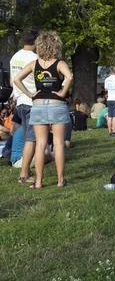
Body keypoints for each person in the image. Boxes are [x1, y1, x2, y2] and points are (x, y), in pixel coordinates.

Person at [13, 31, 73, 189]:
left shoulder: (34, 64)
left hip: (38, 105)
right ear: (56, 46)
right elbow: (70, 77)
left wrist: (29, 94)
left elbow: (16, 79)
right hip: (57, 104)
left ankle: (38, 182)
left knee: (40, 144)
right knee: (59, 143)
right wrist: (62, 92)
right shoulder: (60, 63)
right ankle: (60, 180)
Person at [10, 27, 39, 184]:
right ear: (36, 41)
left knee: (28, 136)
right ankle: (24, 174)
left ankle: (26, 171)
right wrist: (31, 94)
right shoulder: (35, 58)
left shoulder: (15, 57)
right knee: (31, 139)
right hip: (31, 101)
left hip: (20, 101)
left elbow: (12, 81)